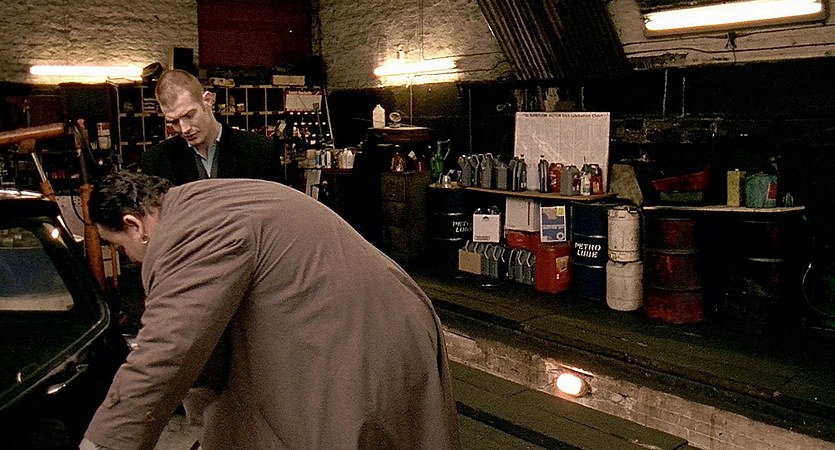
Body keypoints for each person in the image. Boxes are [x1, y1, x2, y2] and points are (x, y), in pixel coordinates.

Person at [80, 171, 460, 450]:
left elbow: (169, 345)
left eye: (121, 247)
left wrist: (106, 441)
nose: (131, 259)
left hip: (362, 341)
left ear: (135, 225)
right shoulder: (209, 200)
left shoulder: (190, 229)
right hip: (382, 325)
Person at [141, 69, 282, 185]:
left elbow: (278, 207)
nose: (184, 129)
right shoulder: (156, 161)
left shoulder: (260, 151)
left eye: (189, 115)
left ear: (207, 100)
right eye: (174, 122)